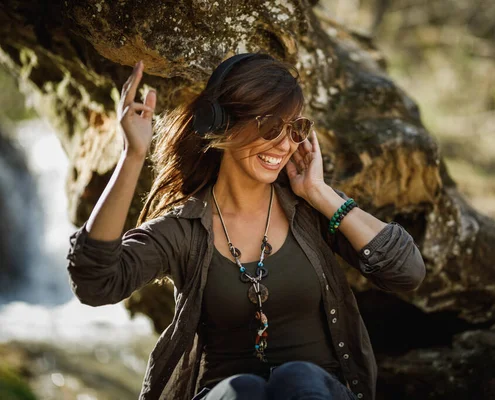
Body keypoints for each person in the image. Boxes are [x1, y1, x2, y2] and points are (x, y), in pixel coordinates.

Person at [66, 52, 426, 400]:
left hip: (319, 391)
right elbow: (96, 284)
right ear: (224, 125)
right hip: (226, 395)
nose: (285, 145)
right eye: (271, 127)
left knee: (297, 377)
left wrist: (320, 193)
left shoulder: (309, 210)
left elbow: (406, 272)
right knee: (244, 390)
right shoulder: (184, 230)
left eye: (296, 128)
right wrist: (133, 155)